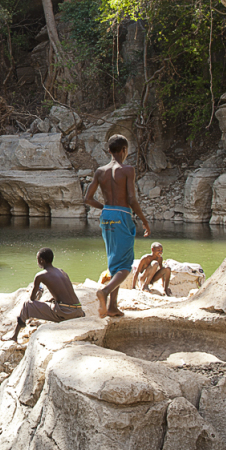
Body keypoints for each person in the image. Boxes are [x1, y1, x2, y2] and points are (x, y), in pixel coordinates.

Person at [83, 134, 150, 318]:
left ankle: (112, 306)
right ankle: (104, 292)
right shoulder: (127, 170)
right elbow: (130, 199)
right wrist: (144, 220)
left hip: (107, 216)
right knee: (125, 265)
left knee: (114, 261)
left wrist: (105, 207)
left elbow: (88, 199)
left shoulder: (100, 171)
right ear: (123, 150)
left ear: (109, 151)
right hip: (122, 214)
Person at [4, 247, 84, 342]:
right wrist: (52, 300)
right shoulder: (62, 271)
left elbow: (32, 299)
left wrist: (38, 293)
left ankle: (14, 336)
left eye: (37, 259)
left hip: (65, 313)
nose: (37, 261)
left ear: (41, 260)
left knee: (27, 305)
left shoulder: (40, 276)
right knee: (51, 303)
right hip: (78, 311)